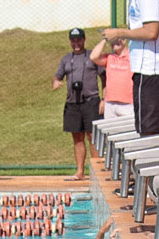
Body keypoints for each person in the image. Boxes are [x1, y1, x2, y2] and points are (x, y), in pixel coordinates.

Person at [104, 0, 159, 137]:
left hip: (150, 70)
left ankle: (150, 158)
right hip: (152, 70)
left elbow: (151, 32)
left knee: (149, 134)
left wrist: (119, 33)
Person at [54, 28, 105, 182]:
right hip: (72, 103)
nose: (76, 43)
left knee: (93, 137)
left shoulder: (92, 57)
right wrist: (56, 82)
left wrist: (105, 98)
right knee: (77, 138)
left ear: (84, 40)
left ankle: (96, 174)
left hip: (91, 101)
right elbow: (57, 76)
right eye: (73, 40)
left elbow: (104, 77)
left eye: (79, 40)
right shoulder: (66, 59)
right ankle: (80, 172)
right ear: (70, 41)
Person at [90, 36, 134, 120]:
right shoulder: (109, 57)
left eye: (117, 40)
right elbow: (93, 57)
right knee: (111, 132)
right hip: (110, 103)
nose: (114, 43)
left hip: (128, 103)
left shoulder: (132, 56)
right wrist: (105, 39)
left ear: (124, 40)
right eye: (112, 41)